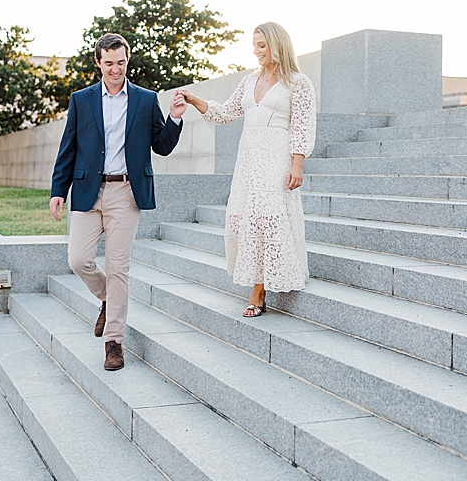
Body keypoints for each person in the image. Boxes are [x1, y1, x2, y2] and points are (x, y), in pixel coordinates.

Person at [50, 33, 186, 371]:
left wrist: (175, 118)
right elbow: (68, 148)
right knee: (78, 259)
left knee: (118, 267)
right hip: (87, 192)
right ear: (98, 62)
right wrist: (57, 190)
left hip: (126, 193)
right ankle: (107, 299)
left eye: (121, 62)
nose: (115, 69)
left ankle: (114, 343)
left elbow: (162, 146)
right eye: (109, 62)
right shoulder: (81, 100)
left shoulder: (144, 99)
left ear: (128, 61)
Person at [177, 22, 315, 317]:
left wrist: (297, 164)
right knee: (246, 219)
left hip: (277, 158)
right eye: (254, 45)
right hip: (248, 160)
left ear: (277, 45)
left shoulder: (297, 83)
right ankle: (258, 281)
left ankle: (259, 290)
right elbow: (226, 113)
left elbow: (302, 126)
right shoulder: (249, 81)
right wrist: (195, 101)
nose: (256, 51)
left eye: (261, 45)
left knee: (267, 219)